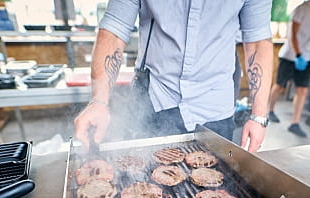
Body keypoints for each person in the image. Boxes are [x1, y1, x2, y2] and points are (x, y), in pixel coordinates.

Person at [74, 1, 273, 152]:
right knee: (141, 177)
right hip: (155, 100)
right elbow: (115, 30)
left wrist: (258, 116)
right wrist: (99, 101)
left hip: (215, 106)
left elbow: (257, 41)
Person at [268, 0, 310, 137]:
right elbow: (292, 34)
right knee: (279, 86)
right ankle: (270, 111)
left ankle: (295, 123)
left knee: (302, 90)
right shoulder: (302, 9)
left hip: (306, 56)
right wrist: (298, 54)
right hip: (290, 55)